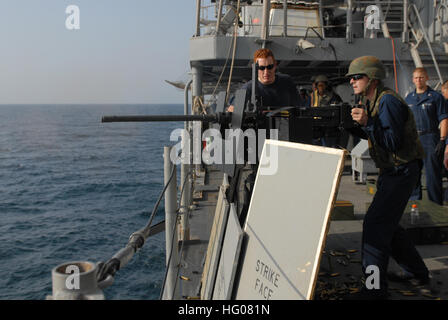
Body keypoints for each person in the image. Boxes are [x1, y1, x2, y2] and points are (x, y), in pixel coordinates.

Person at [345, 56, 429, 299]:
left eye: (357, 76)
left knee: (375, 225)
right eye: (351, 77)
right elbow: (377, 134)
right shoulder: (372, 100)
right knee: (388, 226)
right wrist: (353, 125)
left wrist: (367, 122)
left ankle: (374, 290)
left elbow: (392, 142)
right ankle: (417, 273)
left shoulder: (388, 101)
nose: (352, 81)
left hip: (401, 171)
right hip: (393, 171)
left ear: (371, 78)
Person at [405, 68, 448, 205]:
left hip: (430, 137)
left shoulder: (436, 97)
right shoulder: (409, 98)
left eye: (421, 78)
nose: (419, 80)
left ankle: (436, 203)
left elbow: (444, 119)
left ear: (427, 78)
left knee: (433, 174)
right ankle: (414, 204)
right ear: (413, 80)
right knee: (413, 173)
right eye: (416, 78)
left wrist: (442, 140)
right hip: (413, 139)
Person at [227, 48, 298, 112]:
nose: (266, 72)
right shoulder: (248, 89)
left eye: (269, 67)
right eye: (261, 68)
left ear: (275, 66)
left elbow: (298, 107)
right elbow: (231, 110)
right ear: (255, 68)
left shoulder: (287, 82)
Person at [311, 75, 343, 147]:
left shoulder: (333, 96)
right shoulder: (313, 97)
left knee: (331, 147)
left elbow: (339, 109)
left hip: (330, 128)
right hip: (316, 127)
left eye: (322, 85)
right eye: (319, 85)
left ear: (326, 85)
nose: (321, 88)